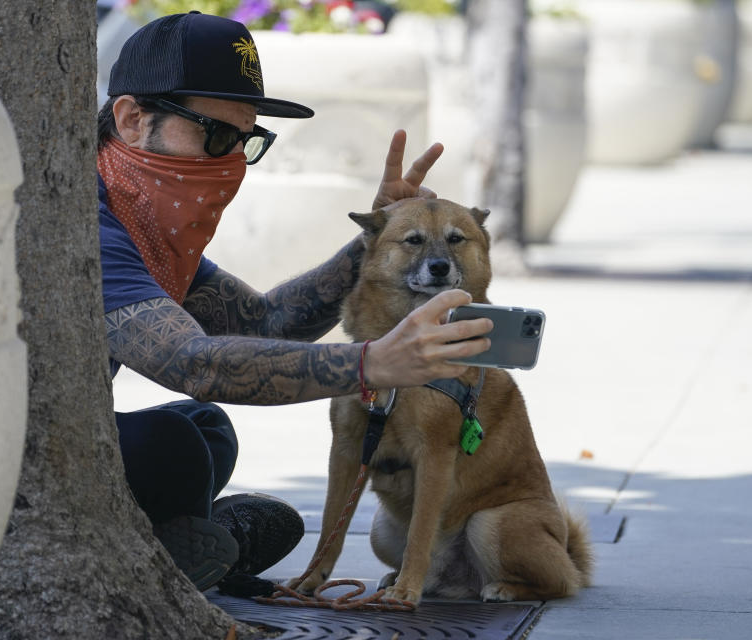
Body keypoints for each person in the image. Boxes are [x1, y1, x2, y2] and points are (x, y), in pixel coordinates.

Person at [97, 11, 492, 591]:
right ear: (133, 118)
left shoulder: (149, 230)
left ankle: (174, 547)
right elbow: (194, 363)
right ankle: (169, 555)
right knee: (174, 446)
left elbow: (266, 323)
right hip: (6, 461)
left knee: (207, 432)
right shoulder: (86, 225)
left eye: (245, 140)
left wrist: (380, 238)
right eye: (216, 134)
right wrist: (371, 363)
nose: (231, 161)